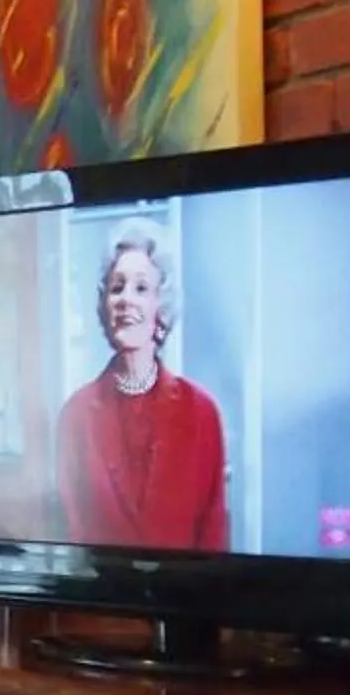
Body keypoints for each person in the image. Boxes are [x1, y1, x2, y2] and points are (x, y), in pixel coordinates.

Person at [54, 220, 229, 551]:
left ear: (160, 306)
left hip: (181, 601)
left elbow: (213, 543)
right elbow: (69, 542)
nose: (125, 300)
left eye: (141, 288)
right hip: (95, 602)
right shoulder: (75, 416)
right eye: (116, 287)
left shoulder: (202, 413)